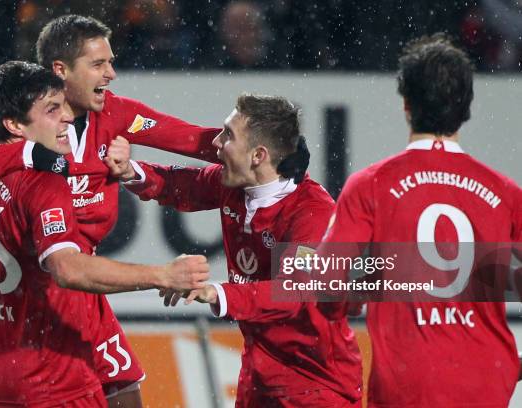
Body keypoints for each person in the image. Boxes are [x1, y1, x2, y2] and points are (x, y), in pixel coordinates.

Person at [0, 15, 219, 407]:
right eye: (99, 64)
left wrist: (254, 143)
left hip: (68, 289)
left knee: (125, 387)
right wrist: (36, 156)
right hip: (53, 289)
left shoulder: (116, 116)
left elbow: (196, 141)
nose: (112, 73)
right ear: (61, 70)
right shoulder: (25, 154)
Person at [108, 94, 363, 407]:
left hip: (315, 384)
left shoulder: (313, 213)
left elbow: (295, 293)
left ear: (258, 155)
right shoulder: (235, 186)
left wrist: (217, 292)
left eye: (227, 134)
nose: (215, 141)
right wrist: (131, 170)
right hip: (258, 376)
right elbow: (184, 186)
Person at [317, 34, 521, 407]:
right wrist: (509, 363)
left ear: (406, 106)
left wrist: (356, 294)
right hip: (487, 383)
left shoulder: (372, 184)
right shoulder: (507, 194)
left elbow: (326, 282)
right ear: (466, 108)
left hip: (407, 385)